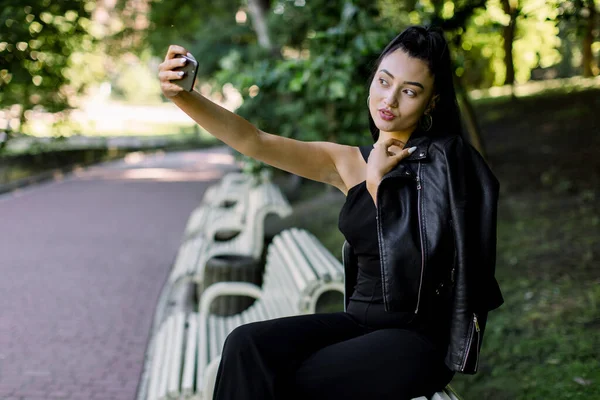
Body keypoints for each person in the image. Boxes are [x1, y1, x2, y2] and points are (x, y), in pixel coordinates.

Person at [158, 25, 503, 400]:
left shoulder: (448, 164)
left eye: (409, 91)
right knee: (246, 345)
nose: (390, 99)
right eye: (384, 82)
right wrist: (184, 97)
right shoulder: (347, 161)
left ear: (431, 102)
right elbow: (253, 140)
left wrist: (376, 187)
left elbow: (425, 265)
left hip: (416, 340)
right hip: (357, 324)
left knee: (290, 384)